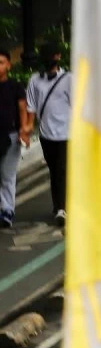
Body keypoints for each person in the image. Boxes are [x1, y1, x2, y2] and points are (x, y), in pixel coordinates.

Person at [25, 45, 70, 225]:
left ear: (58, 56)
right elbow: (31, 106)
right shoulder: (35, 80)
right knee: (55, 170)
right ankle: (58, 205)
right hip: (46, 134)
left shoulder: (69, 79)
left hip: (67, 134)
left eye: (51, 54)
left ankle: (62, 208)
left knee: (62, 169)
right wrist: (27, 129)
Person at [0, 50, 29, 228]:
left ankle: (7, 210)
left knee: (7, 175)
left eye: (2, 62)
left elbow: (22, 108)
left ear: (9, 65)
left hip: (10, 136)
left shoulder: (15, 86)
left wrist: (23, 130)